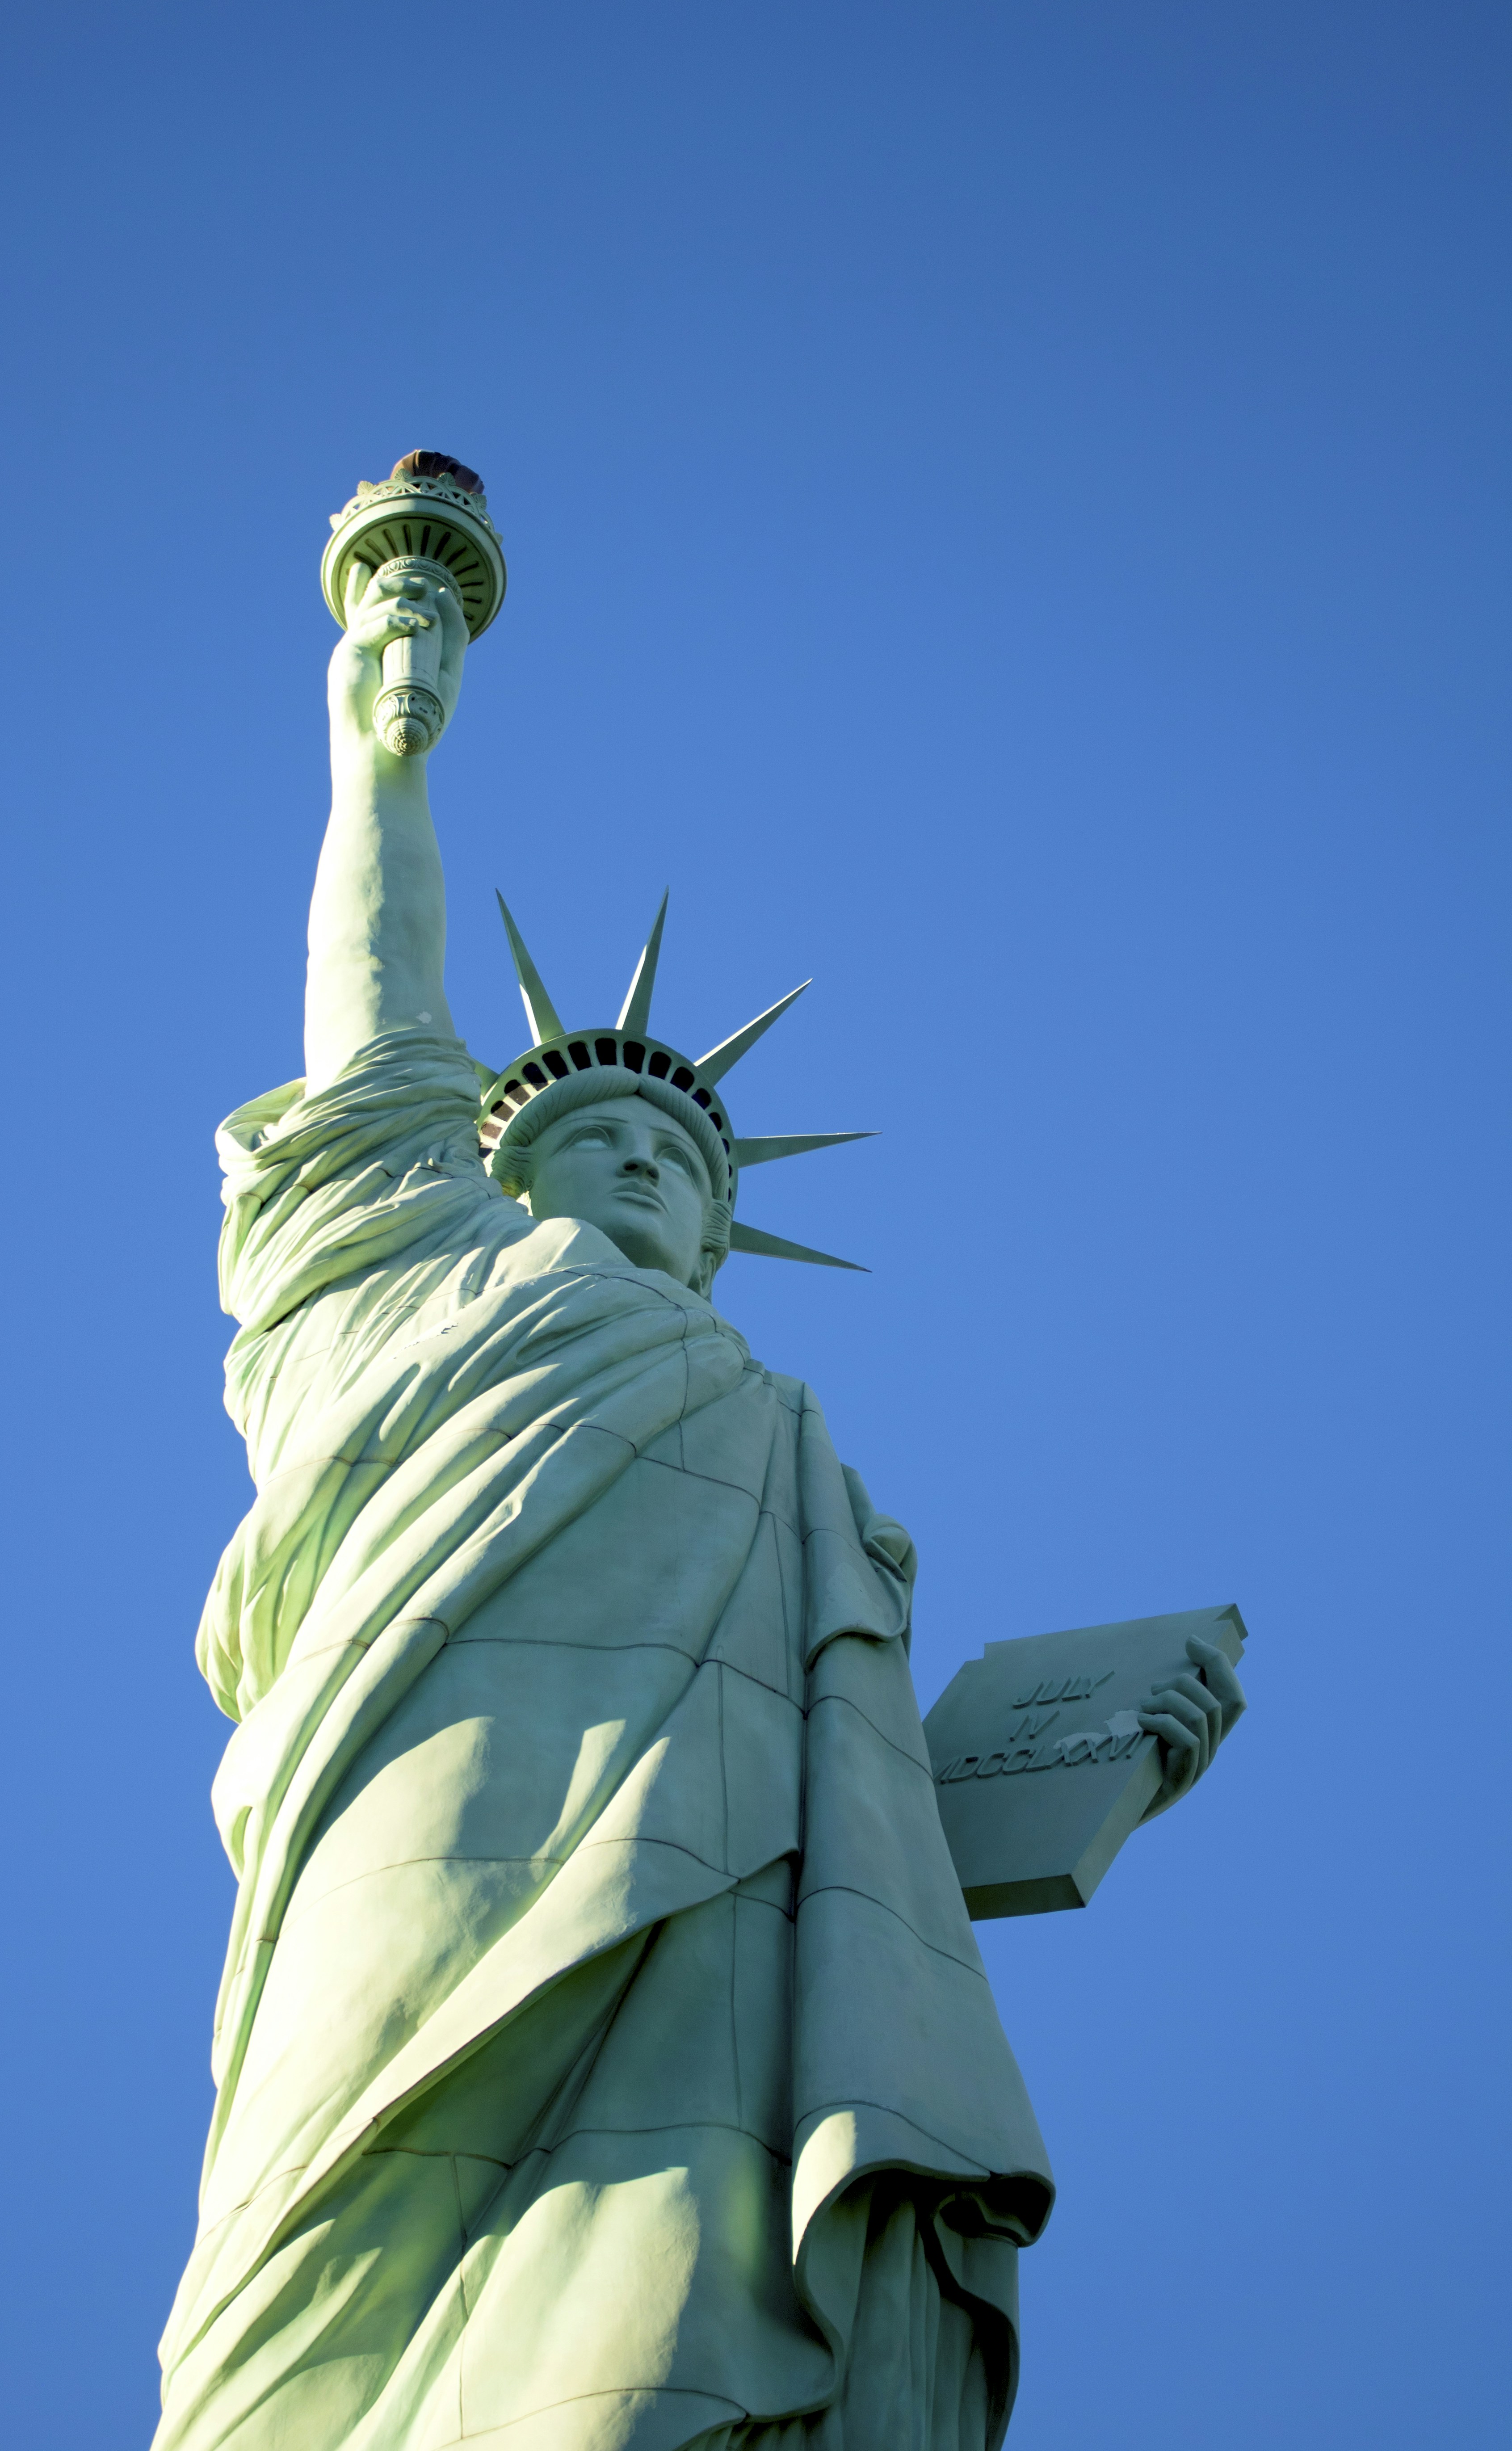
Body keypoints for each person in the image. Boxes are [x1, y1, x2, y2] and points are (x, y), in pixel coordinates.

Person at [153, 552, 1244, 2451]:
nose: (646, 1166)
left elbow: (868, 1800)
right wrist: (383, 750)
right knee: (315, 2275)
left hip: (732, 1901)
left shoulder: (791, 1437)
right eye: (600, 1137)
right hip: (423, 1798)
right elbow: (376, 1004)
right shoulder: (403, 1274)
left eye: (681, 1159)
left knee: (674, 2323)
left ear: (726, 1231)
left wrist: (1094, 1758)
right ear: (500, 1170)